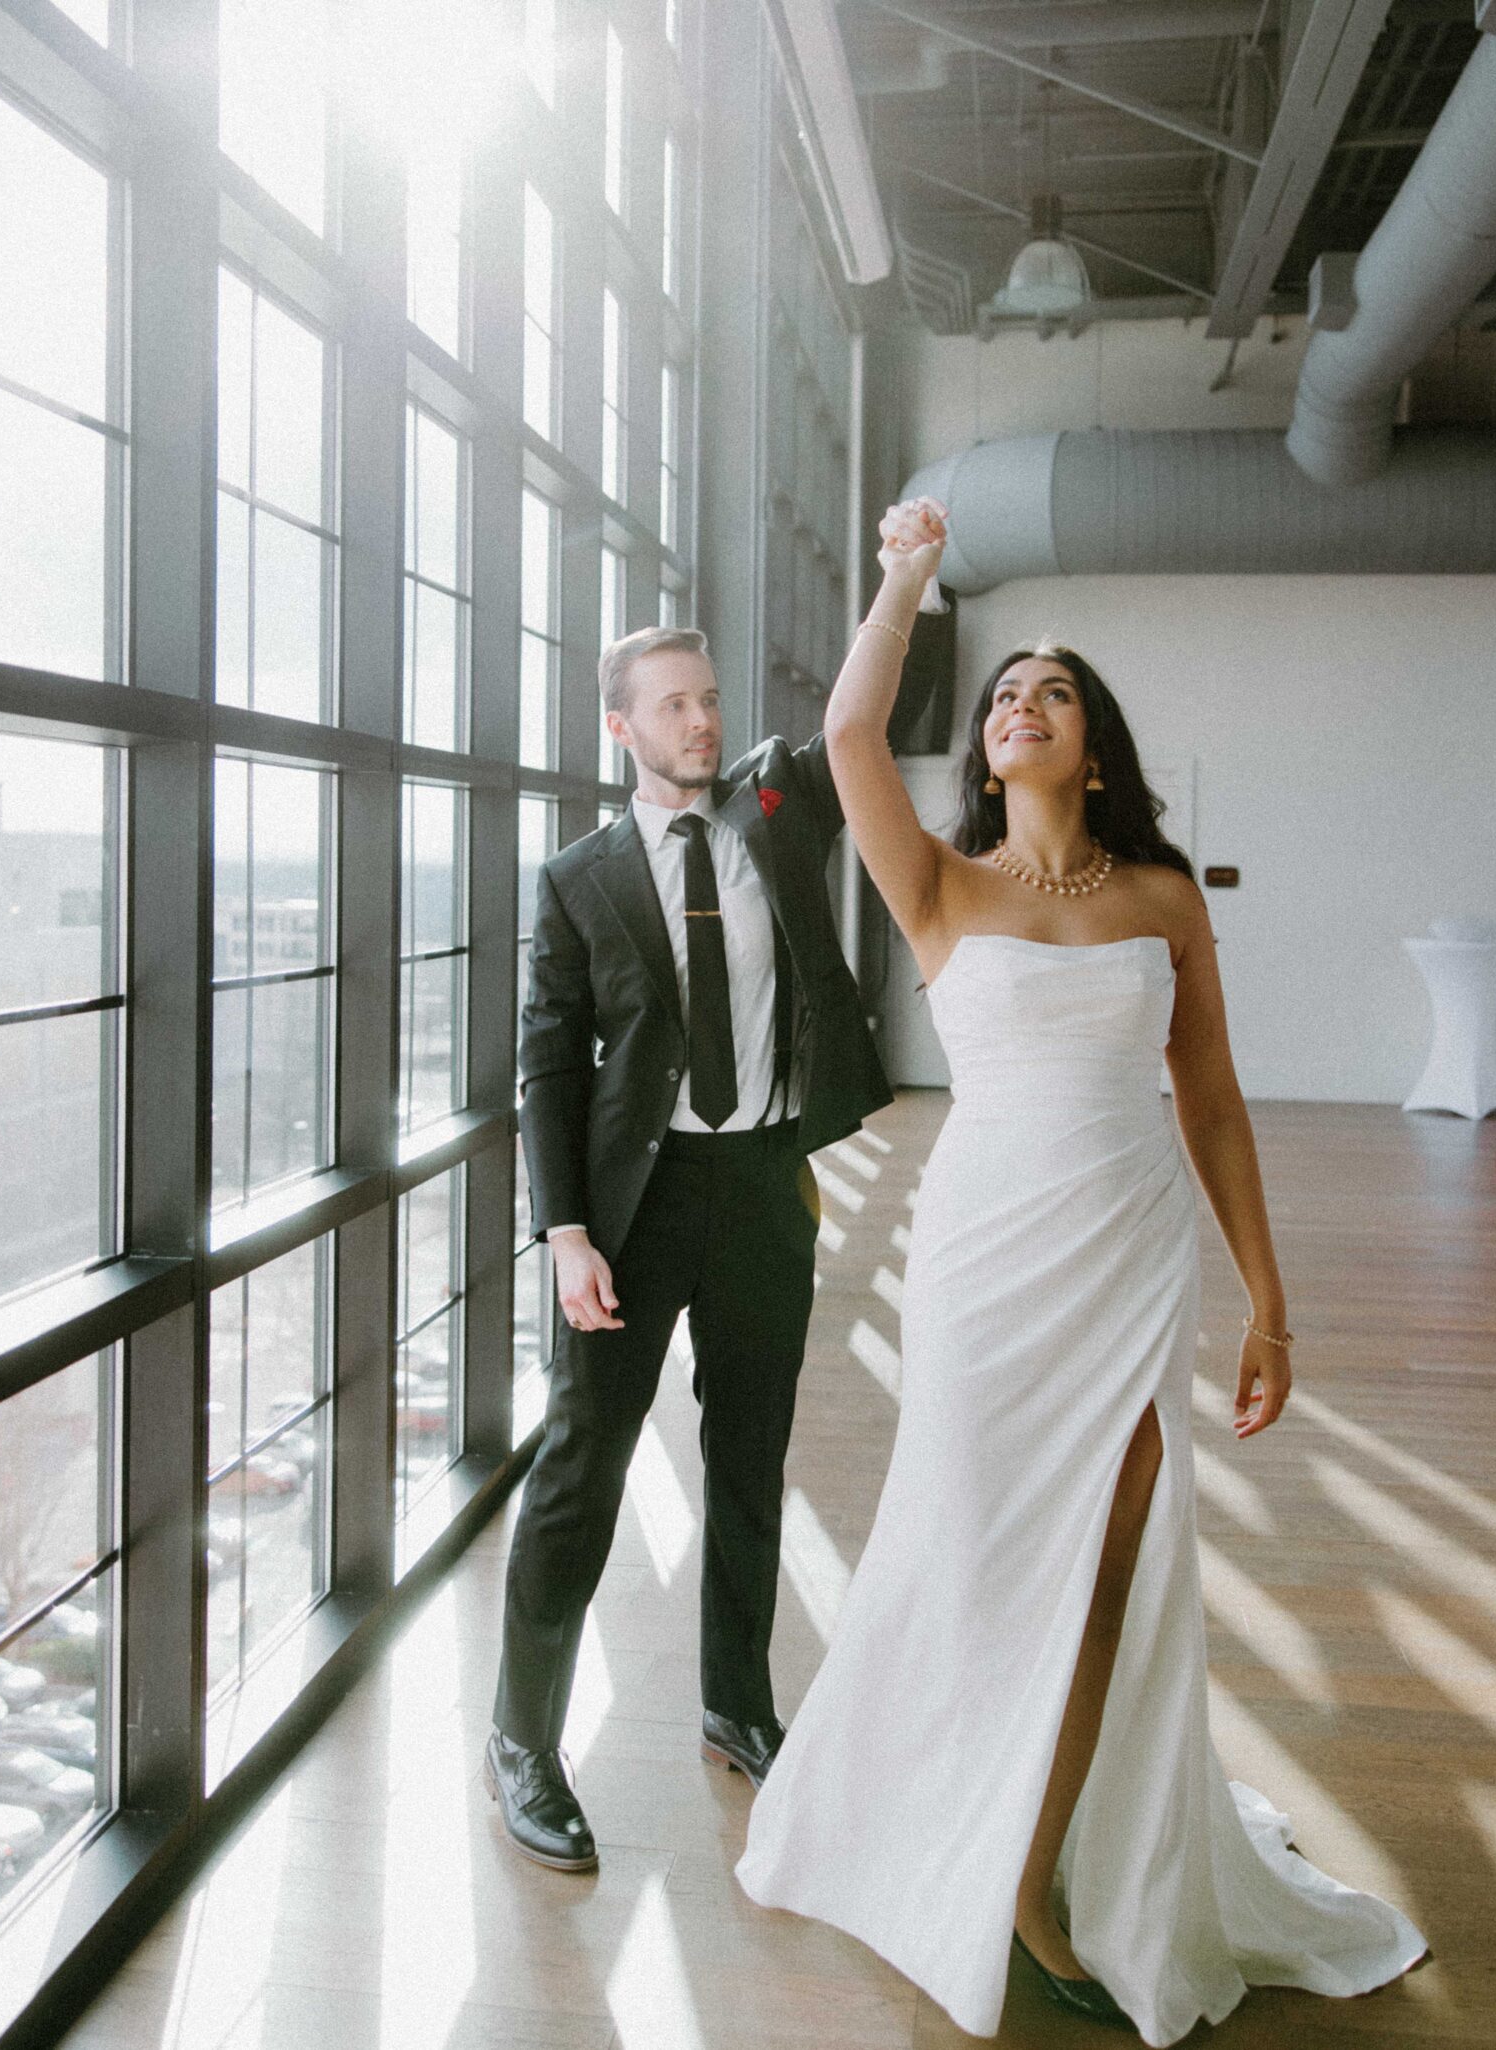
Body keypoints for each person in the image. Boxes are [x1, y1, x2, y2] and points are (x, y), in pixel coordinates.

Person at [735, 500, 1430, 2044]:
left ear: (1092, 746)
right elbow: (852, 726)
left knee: (1109, 1563)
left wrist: (1269, 1294)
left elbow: (1217, 1102)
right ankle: (952, 1812)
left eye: (1049, 692)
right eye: (1002, 698)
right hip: (984, 1259)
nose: (1018, 706)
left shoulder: (1162, 901)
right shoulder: (939, 884)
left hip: (1128, 1258)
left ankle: (1039, 1871)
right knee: (980, 1545)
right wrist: (910, 575)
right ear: (986, 754)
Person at [485, 622, 934, 1871]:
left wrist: (903, 581)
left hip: (760, 1183)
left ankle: (735, 1700)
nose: (702, 722)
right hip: (635, 1205)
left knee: (749, 1458)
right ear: (621, 727)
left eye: (710, 700)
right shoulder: (578, 878)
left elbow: (871, 708)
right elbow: (544, 1062)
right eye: (673, 706)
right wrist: (564, 1232)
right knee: (581, 1473)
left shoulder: (779, 810)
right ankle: (521, 1739)